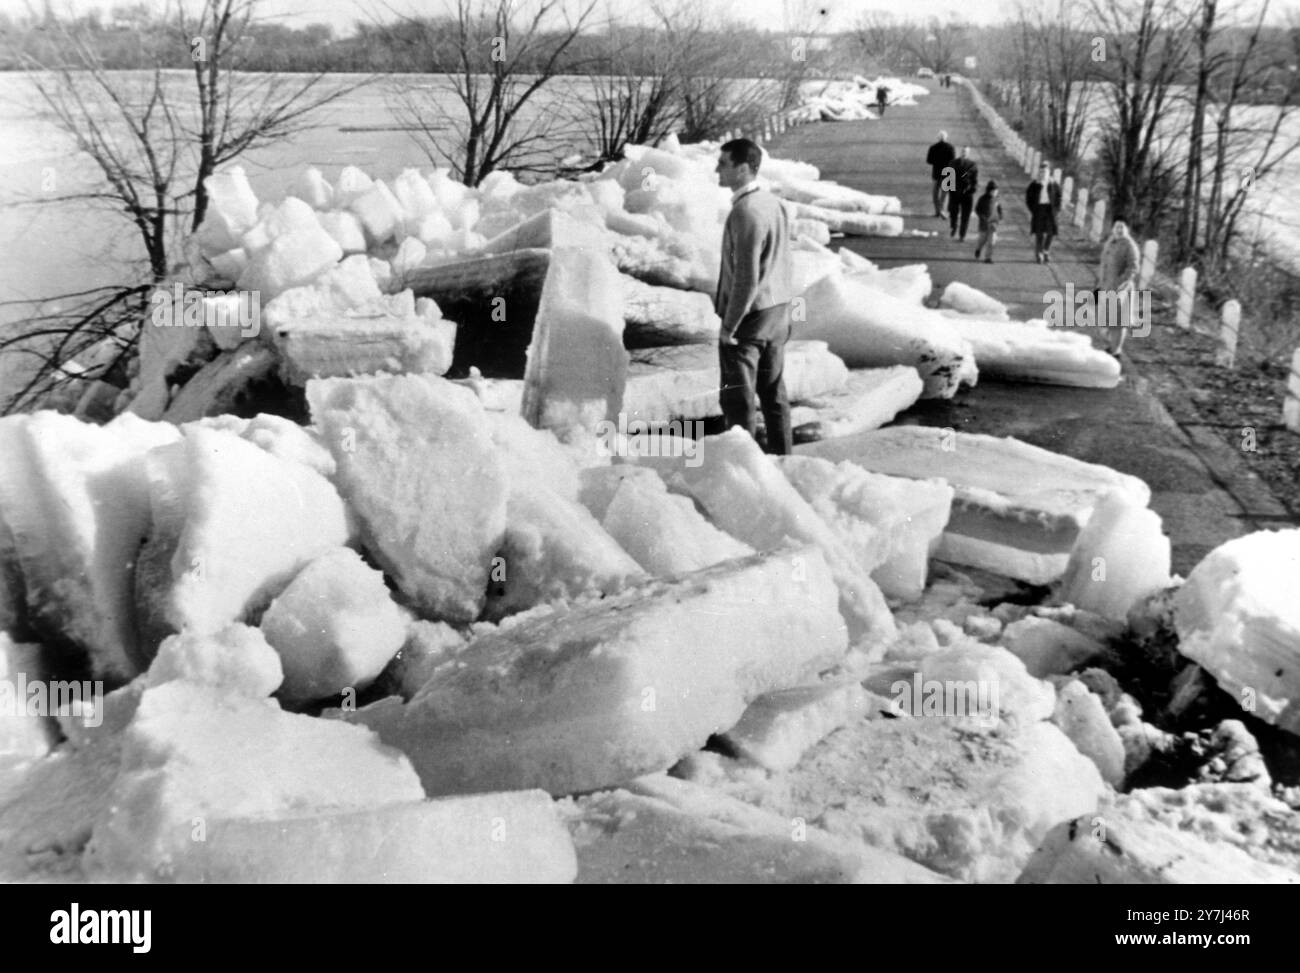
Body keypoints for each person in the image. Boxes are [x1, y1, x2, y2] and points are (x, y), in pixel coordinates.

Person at [713, 138, 795, 455]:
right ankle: (783, 461)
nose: (716, 169)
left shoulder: (744, 213)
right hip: (777, 312)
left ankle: (744, 470)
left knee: (737, 399)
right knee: (774, 394)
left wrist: (728, 327)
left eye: (723, 163)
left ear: (743, 168)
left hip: (749, 318)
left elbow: (746, 279)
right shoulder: (773, 204)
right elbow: (785, 261)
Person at [1097, 220, 1141, 357]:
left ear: (1127, 229)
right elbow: (1104, 264)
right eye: (1117, 226)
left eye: (1122, 227)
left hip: (1121, 289)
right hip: (1107, 287)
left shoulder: (1129, 245)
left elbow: (1133, 267)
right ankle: (1110, 347)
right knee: (1107, 321)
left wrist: (1120, 283)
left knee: (1118, 322)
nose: (1119, 230)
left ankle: (1116, 352)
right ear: (1112, 229)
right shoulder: (1110, 242)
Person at [1026, 161, 1062, 263]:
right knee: (1039, 233)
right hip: (1039, 210)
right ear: (1039, 172)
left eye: (1045, 171)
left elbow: (1059, 196)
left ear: (1048, 172)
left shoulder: (1053, 183)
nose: (1043, 173)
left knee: (1051, 233)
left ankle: (1046, 251)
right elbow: (1028, 198)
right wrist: (1033, 209)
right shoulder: (1034, 184)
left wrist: (1056, 209)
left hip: (1050, 210)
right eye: (1041, 171)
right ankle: (1039, 254)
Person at [948, 147, 978, 241]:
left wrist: (972, 189)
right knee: (953, 212)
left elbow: (975, 180)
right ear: (960, 152)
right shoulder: (952, 163)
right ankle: (954, 225)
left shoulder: (972, 164)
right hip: (955, 192)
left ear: (968, 153)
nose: (964, 153)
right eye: (963, 151)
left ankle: (962, 235)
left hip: (967, 193)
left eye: (966, 152)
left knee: (966, 216)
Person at [926, 131, 956, 218]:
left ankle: (937, 211)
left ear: (938, 138)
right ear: (946, 138)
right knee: (944, 194)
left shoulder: (933, 147)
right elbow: (953, 160)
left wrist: (937, 161)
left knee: (935, 194)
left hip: (936, 173)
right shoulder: (951, 147)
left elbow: (929, 161)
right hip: (947, 173)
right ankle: (942, 209)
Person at [973, 180, 1001, 263]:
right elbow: (977, 209)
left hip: (993, 224)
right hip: (984, 224)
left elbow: (999, 209)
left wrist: (1000, 216)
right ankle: (978, 249)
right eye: (993, 191)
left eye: (996, 191)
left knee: (992, 241)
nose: (994, 192)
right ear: (988, 191)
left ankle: (988, 257)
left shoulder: (996, 199)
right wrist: (982, 217)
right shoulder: (982, 199)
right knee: (982, 240)